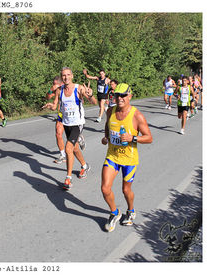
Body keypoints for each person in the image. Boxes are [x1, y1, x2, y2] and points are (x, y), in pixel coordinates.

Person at [101, 83, 152, 232]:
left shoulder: (136, 115)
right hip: (112, 156)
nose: (120, 98)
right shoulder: (110, 110)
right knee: (105, 188)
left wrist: (132, 137)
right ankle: (114, 213)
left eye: (123, 95)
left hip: (129, 159)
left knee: (125, 190)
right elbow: (107, 125)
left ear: (130, 96)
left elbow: (149, 137)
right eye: (117, 95)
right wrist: (106, 137)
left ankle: (130, 211)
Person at [43, 67, 97, 190]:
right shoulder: (59, 90)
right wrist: (51, 106)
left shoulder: (79, 88)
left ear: (72, 76)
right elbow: (55, 105)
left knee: (68, 148)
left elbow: (93, 102)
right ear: (61, 78)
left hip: (78, 123)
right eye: (63, 75)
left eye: (68, 75)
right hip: (67, 123)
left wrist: (91, 95)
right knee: (74, 148)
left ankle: (68, 178)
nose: (66, 77)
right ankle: (84, 166)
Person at [46, 76, 67, 164]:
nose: (54, 86)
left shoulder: (68, 88)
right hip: (61, 114)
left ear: (61, 83)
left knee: (71, 138)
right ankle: (62, 155)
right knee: (58, 134)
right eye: (53, 84)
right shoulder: (57, 90)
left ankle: (79, 138)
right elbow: (48, 97)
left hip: (72, 116)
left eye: (55, 84)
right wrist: (51, 89)